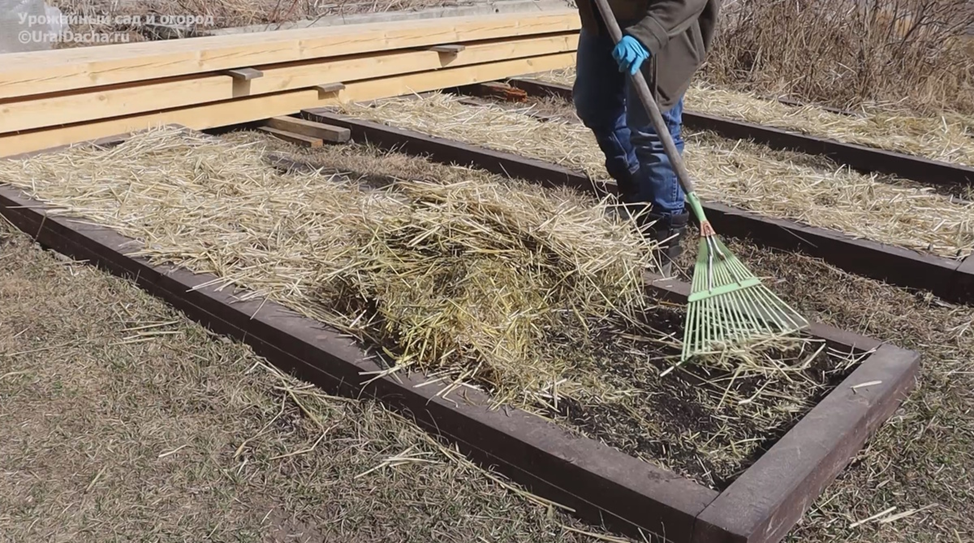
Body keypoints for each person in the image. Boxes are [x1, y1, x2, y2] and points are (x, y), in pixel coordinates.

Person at [573, 0, 719, 275]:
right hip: (604, 17)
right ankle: (637, 192)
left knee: (653, 129)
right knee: (595, 106)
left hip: (662, 22)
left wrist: (646, 36)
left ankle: (665, 227)